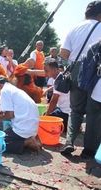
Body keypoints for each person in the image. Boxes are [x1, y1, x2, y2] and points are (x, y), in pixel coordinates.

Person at [59, 1, 101, 158]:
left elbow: (63, 52)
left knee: (75, 110)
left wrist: (77, 58)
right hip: (96, 73)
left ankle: (69, 142)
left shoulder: (75, 27)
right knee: (94, 112)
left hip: (76, 70)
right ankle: (89, 150)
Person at [0, 76, 41, 154]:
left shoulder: (5, 91)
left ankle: (27, 142)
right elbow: (3, 111)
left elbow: (9, 115)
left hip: (23, 129)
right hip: (32, 129)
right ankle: (32, 138)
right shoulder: (13, 89)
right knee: (6, 133)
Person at [44, 59, 71, 131]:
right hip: (68, 111)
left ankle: (66, 127)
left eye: (47, 71)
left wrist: (46, 117)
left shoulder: (58, 81)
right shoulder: (62, 76)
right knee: (47, 112)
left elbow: (53, 101)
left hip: (65, 113)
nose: (45, 73)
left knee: (45, 118)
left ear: (55, 70)